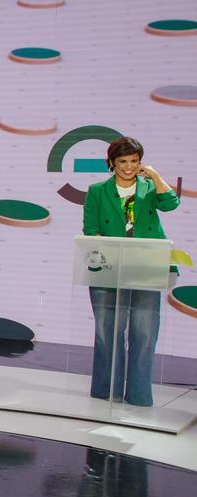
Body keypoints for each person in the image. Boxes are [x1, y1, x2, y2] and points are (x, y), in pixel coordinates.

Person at [82, 137, 178, 407]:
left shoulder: (149, 187)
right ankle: (105, 392)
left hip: (146, 266)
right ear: (112, 163)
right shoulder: (97, 190)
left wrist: (156, 175)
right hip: (108, 269)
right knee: (107, 332)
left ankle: (138, 395)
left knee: (144, 332)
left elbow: (171, 204)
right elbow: (91, 229)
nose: (129, 167)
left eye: (134, 161)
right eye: (123, 161)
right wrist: (109, 255)